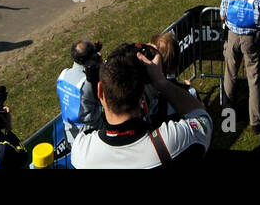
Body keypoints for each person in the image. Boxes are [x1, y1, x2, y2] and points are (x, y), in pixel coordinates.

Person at [70, 43, 211, 168]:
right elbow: (202, 118)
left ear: (100, 92)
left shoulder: (82, 152)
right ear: (142, 92)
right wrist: (161, 82)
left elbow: (91, 124)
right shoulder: (173, 141)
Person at [220, 0, 260, 134]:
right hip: (250, 40)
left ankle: (227, 116)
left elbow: (222, 15)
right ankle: (255, 121)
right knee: (253, 79)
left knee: (230, 74)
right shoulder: (259, 0)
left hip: (232, 36)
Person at [55, 39, 103, 144]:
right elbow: (104, 100)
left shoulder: (62, 75)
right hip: (90, 136)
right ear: (91, 58)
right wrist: (99, 63)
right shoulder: (88, 83)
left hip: (69, 134)